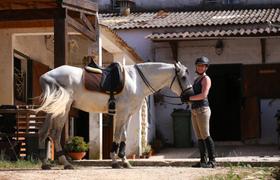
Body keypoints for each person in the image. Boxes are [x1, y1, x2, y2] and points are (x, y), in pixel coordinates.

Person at [182, 56, 216, 168]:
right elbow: (193, 95)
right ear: (196, 67)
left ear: (206, 67)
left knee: (206, 135)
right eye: (199, 65)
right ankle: (202, 161)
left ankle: (212, 161)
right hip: (194, 110)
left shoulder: (206, 79)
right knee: (199, 137)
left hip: (203, 109)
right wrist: (186, 98)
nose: (200, 67)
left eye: (203, 66)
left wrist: (189, 99)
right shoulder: (196, 79)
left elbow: (203, 95)